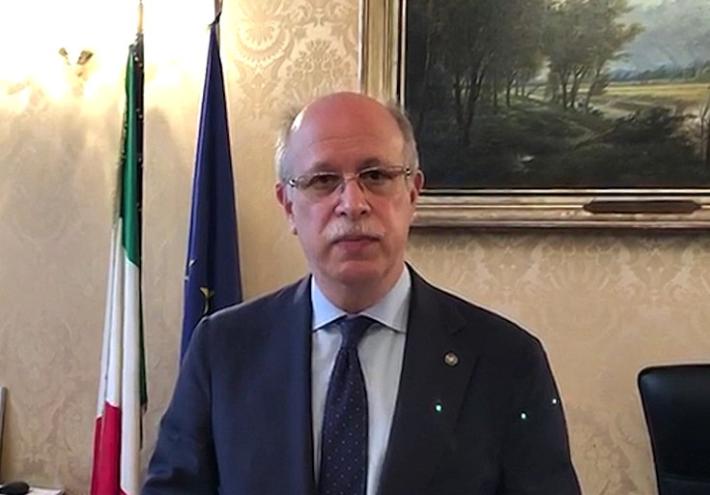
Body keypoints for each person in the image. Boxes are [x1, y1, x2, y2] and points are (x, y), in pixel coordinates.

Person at [142, 92, 581, 495]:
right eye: (322, 180)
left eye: (376, 175)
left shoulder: (506, 360)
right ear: (288, 206)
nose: (352, 203)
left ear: (413, 193)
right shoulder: (223, 349)